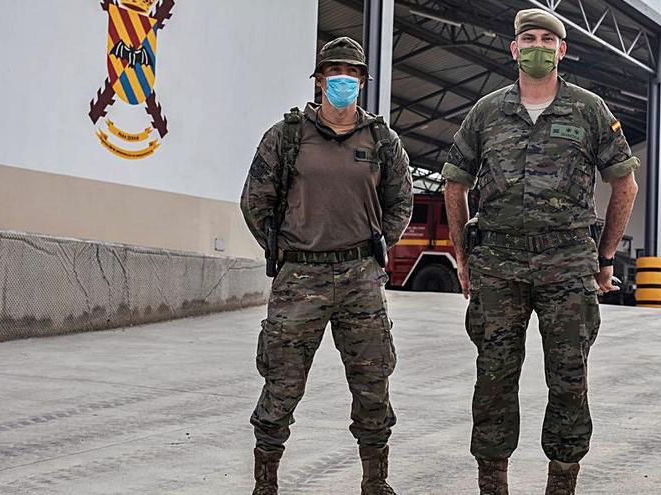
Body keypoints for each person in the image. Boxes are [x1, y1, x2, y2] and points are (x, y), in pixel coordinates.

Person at [442, 8, 640, 495]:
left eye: (547, 41)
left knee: (569, 380)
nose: (537, 47)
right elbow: (454, 183)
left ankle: (562, 486)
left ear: (562, 50)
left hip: (567, 264)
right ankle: (493, 486)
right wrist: (463, 257)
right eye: (528, 39)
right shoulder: (487, 112)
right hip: (498, 265)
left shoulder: (590, 110)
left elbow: (625, 183)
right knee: (493, 380)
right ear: (513, 49)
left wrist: (605, 256)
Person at [240, 36, 413, 495]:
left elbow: (401, 203)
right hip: (300, 278)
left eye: (352, 73)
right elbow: (256, 201)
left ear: (362, 82)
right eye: (333, 72)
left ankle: (375, 483)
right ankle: (265, 484)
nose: (342, 80)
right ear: (319, 81)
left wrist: (377, 249)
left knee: (373, 384)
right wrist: (282, 249)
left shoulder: (381, 140)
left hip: (360, 277)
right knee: (281, 384)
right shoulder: (287, 136)